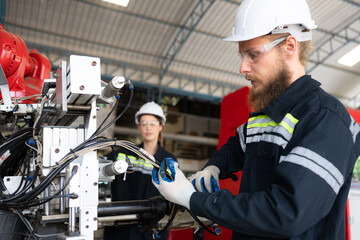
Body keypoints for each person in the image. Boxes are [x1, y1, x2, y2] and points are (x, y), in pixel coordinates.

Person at [152, 0, 360, 239]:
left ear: (289, 46)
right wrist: (214, 167)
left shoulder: (326, 120)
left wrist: (192, 198)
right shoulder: (268, 113)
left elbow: (284, 213)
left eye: (253, 54)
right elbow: (237, 146)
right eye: (242, 55)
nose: (242, 67)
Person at [104, 101, 176, 240]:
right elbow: (97, 164)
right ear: (139, 127)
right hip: (120, 228)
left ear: (160, 126)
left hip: (150, 230)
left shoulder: (168, 161)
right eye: (144, 123)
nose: (148, 127)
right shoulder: (123, 154)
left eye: (152, 123)